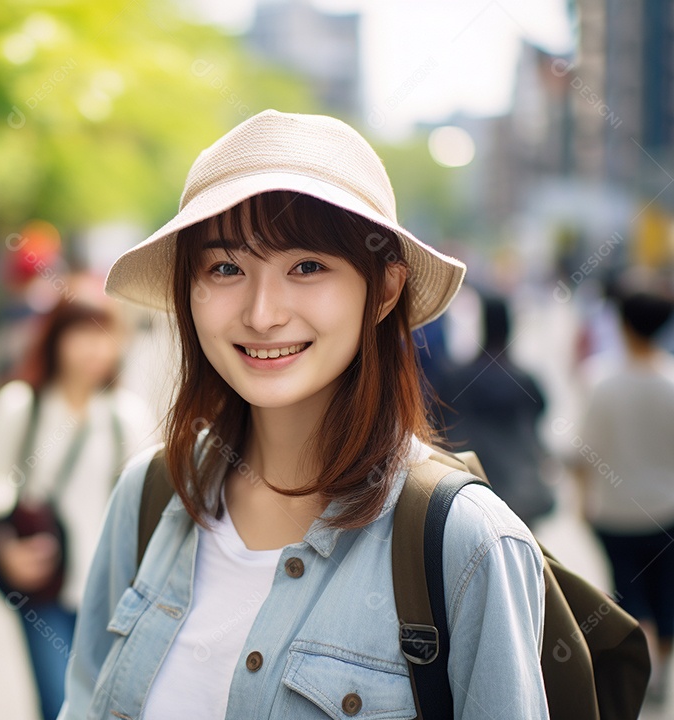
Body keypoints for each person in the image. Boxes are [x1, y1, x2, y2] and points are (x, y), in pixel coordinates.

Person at [60, 111, 547, 719]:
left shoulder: (464, 541)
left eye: (308, 267)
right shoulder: (150, 494)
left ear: (385, 290)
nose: (263, 314)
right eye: (226, 268)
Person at [0, 291, 156, 720]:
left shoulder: (126, 415)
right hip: (46, 584)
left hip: (114, 588)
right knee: (56, 705)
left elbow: (149, 508)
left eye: (105, 335)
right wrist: (6, 550)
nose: (95, 348)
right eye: (81, 334)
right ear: (56, 338)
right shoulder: (21, 407)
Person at [575, 290, 674, 702]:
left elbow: (583, 451)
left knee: (626, 595)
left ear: (622, 323)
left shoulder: (600, 380)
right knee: (667, 593)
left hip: (614, 511)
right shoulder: (671, 381)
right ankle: (662, 670)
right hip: (666, 511)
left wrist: (582, 502)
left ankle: (639, 669)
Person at [438, 292, 555, 526]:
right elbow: (539, 417)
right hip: (522, 493)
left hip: (472, 492)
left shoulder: (457, 379)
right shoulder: (525, 381)